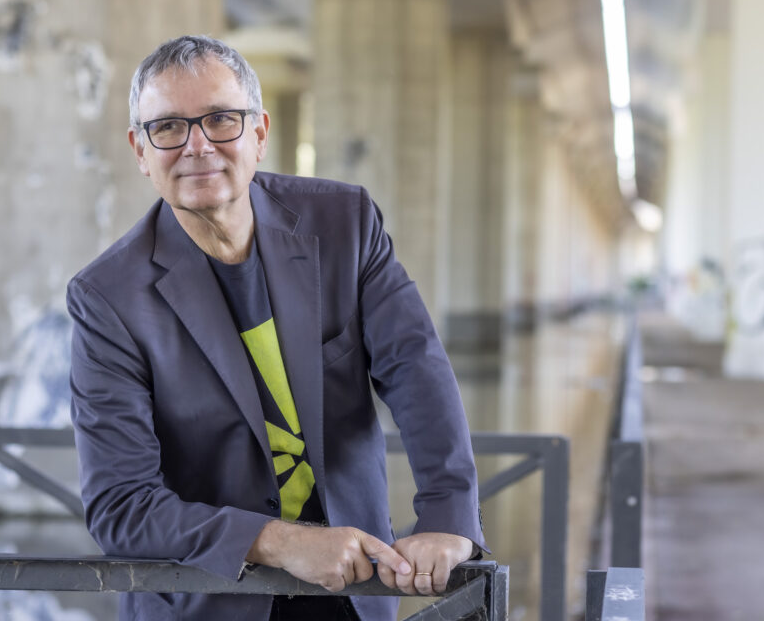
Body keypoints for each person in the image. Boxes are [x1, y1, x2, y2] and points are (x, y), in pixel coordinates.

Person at [68, 35, 487, 621]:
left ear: (260, 133)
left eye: (220, 120)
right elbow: (122, 507)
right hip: (208, 600)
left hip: (356, 587)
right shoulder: (108, 297)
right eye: (168, 128)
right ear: (141, 151)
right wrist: (278, 541)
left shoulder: (344, 224)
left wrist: (447, 516)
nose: (197, 146)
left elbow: (416, 370)